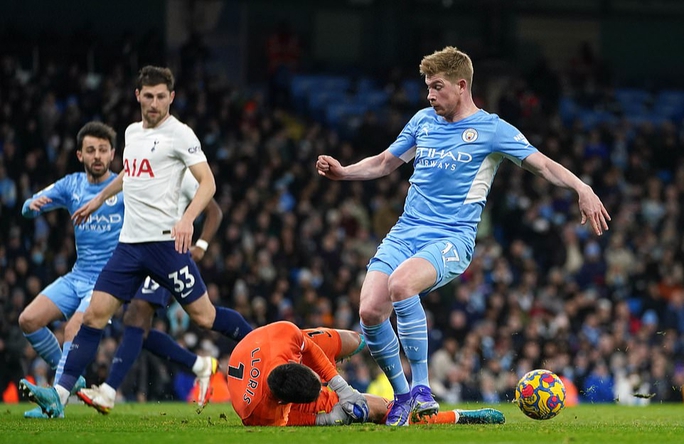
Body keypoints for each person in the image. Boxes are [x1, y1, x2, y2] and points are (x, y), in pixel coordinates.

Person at [316, 46, 611, 426]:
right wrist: (345, 172)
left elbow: (543, 165)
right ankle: (402, 396)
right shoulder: (423, 121)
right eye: (427, 87)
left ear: (461, 85)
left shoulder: (492, 129)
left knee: (401, 284)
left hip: (451, 239)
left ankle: (422, 388)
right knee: (370, 311)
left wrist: (581, 188)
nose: (430, 95)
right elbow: (385, 162)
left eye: (437, 87)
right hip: (406, 231)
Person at [20, 65, 252, 418]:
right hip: (129, 247)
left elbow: (208, 184)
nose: (155, 103)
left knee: (205, 317)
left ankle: (261, 344)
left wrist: (188, 219)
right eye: (149, 96)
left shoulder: (181, 135)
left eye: (161, 96)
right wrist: (98, 199)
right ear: (138, 96)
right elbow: (130, 173)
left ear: (171, 97)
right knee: (94, 317)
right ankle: (60, 393)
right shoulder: (132, 132)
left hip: (164, 246)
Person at [78, 170, 226, 414]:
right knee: (138, 331)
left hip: (165, 254)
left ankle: (109, 391)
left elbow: (214, 210)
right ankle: (200, 365)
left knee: (139, 314)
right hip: (137, 254)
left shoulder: (180, 170)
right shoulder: (141, 166)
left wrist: (201, 245)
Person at [18, 122, 121, 418]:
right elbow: (28, 205)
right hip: (78, 276)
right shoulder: (72, 184)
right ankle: (71, 375)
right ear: (80, 155)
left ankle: (56, 401)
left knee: (73, 328)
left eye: (103, 150)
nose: (98, 156)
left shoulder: (124, 188)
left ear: (112, 153)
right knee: (28, 320)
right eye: (91, 150)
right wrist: (32, 208)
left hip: (107, 282)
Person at [227, 321, 504, 426]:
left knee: (352, 340)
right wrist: (329, 418)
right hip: (263, 361)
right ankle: (459, 418)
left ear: (294, 363)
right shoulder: (261, 415)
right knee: (379, 410)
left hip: (267, 342)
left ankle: (363, 344)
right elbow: (295, 421)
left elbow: (310, 348)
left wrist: (341, 386)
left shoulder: (286, 334)